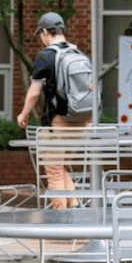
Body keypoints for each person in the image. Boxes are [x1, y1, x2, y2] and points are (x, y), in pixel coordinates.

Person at [17, 12, 92, 208]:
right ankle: (74, 208)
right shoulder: (79, 54)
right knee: (62, 167)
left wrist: (24, 114)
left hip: (57, 123)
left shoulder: (45, 56)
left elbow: (34, 93)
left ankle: (60, 221)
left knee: (54, 171)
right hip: (81, 122)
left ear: (44, 32)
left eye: (40, 34)